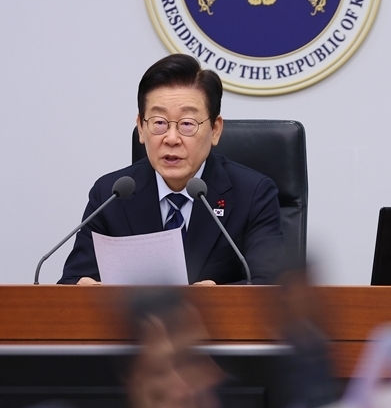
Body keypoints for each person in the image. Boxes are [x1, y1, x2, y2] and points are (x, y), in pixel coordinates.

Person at [59, 54, 284, 285]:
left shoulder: (253, 194)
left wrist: (216, 299)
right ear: (141, 128)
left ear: (215, 130)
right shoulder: (110, 195)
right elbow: (72, 282)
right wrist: (85, 290)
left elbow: (268, 286)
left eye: (187, 124)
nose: (172, 138)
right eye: (159, 123)